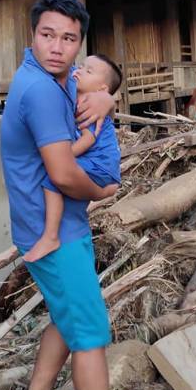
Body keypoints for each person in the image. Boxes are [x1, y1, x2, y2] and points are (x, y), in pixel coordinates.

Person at [0, 0, 167, 390]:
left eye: (69, 39)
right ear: (33, 34)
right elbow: (63, 174)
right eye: (48, 35)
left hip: (47, 223)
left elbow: (97, 89)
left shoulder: (43, 78)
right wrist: (104, 191)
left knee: (65, 314)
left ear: (79, 45)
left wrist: (108, 97)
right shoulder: (42, 92)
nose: (57, 47)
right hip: (53, 233)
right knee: (90, 332)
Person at [22, 53, 123, 264]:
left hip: (100, 164)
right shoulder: (75, 96)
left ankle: (51, 236)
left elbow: (88, 139)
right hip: (100, 165)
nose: (79, 71)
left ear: (102, 88)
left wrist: (63, 156)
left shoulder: (89, 105)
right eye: (81, 66)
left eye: (88, 71)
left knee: (52, 179)